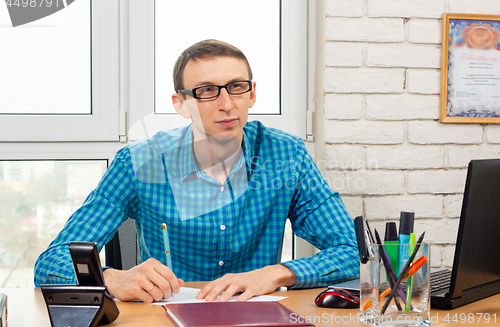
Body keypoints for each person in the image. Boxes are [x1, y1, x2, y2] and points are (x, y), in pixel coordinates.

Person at [34, 39, 359, 303]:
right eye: (206, 91)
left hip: (256, 317)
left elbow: (353, 251)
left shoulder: (287, 156)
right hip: (163, 317)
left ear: (252, 93)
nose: (227, 104)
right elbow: (52, 264)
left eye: (236, 87)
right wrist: (112, 277)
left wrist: (275, 273)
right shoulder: (137, 162)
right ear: (181, 104)